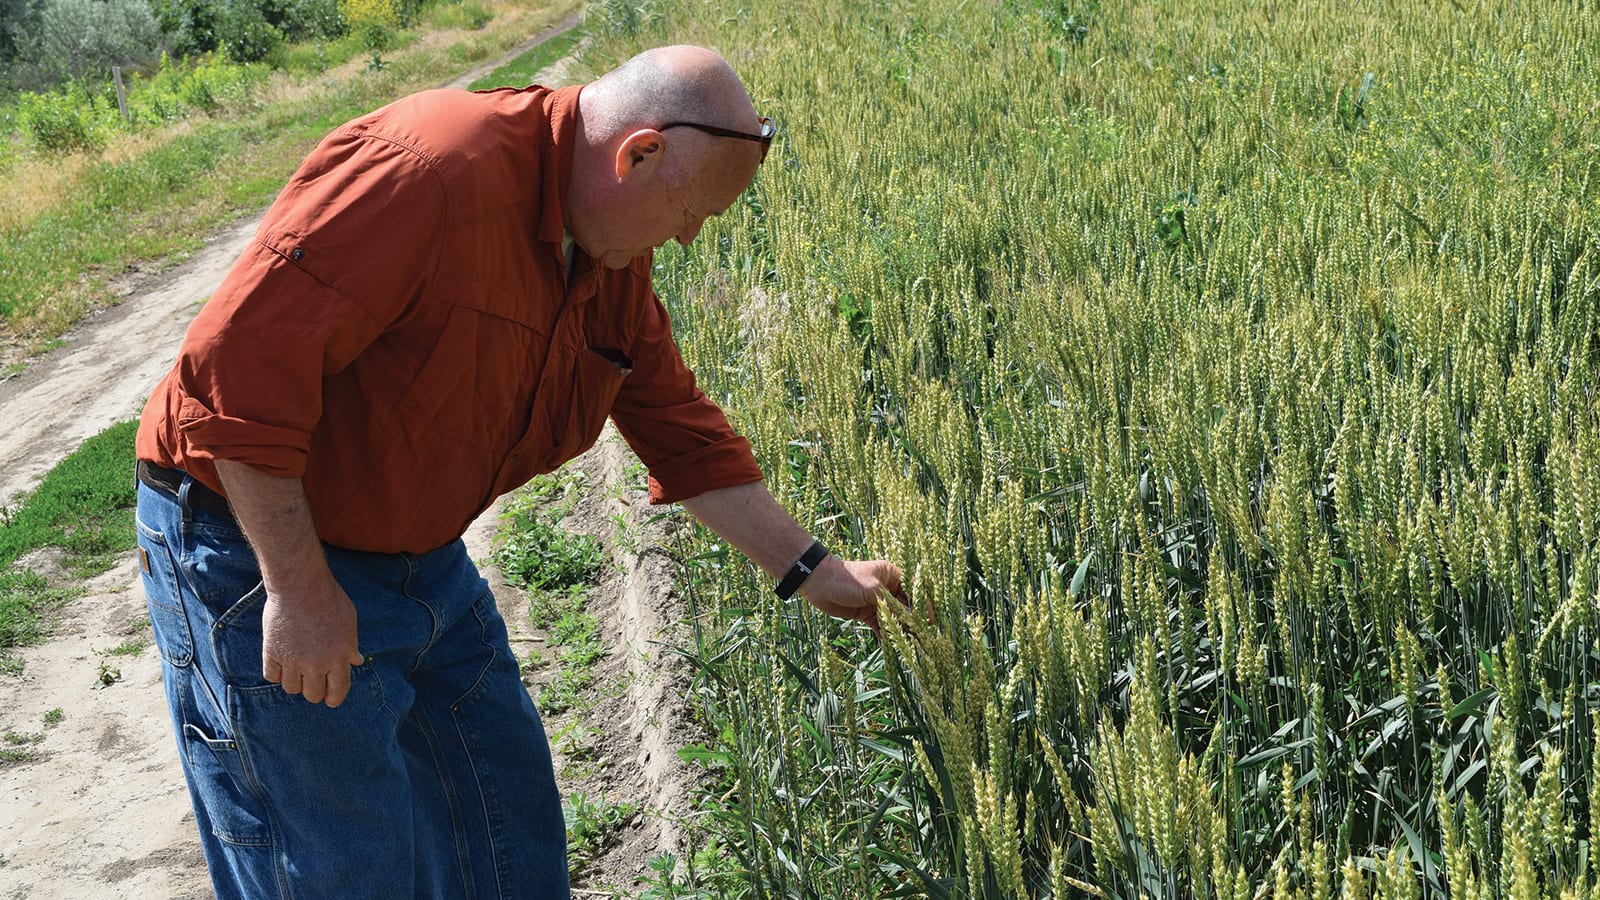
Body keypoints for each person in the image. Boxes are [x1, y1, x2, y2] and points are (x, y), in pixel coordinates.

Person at [132, 44, 905, 899]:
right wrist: (301, 592)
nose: (688, 236)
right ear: (637, 152)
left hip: (419, 555)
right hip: (258, 544)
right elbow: (235, 375)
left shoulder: (605, 253)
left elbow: (677, 431)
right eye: (692, 211)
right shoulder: (425, 172)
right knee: (338, 864)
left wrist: (816, 573)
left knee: (504, 833)